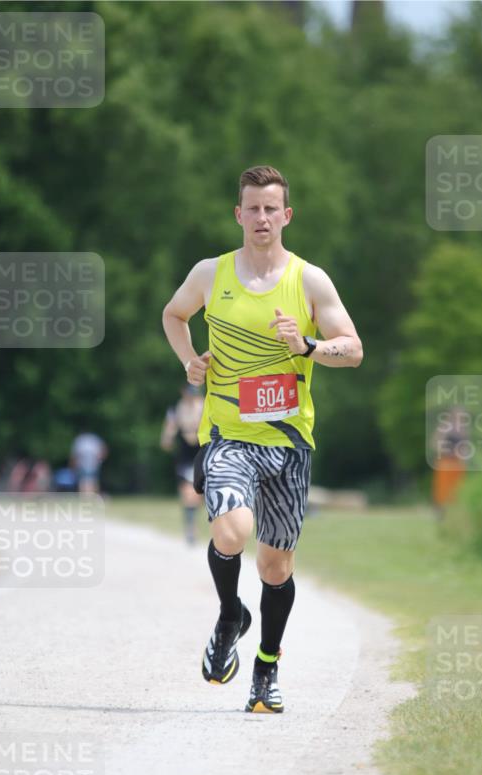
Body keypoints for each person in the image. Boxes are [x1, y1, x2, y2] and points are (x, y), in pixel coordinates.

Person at [162, 165, 363, 713]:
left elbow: (353, 348)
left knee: (275, 567)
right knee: (232, 530)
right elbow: (174, 315)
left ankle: (266, 668)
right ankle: (230, 614)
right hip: (228, 435)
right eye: (252, 208)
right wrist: (189, 360)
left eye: (271, 208)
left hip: (289, 445)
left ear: (286, 216)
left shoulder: (309, 280)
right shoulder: (211, 274)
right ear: (238, 214)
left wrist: (308, 346)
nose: (262, 217)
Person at [161, 384, 205, 544]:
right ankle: (190, 528)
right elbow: (168, 432)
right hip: (185, 455)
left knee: (197, 494)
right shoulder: (176, 409)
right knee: (187, 492)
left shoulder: (205, 406)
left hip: (201, 452)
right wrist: (168, 437)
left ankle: (193, 524)